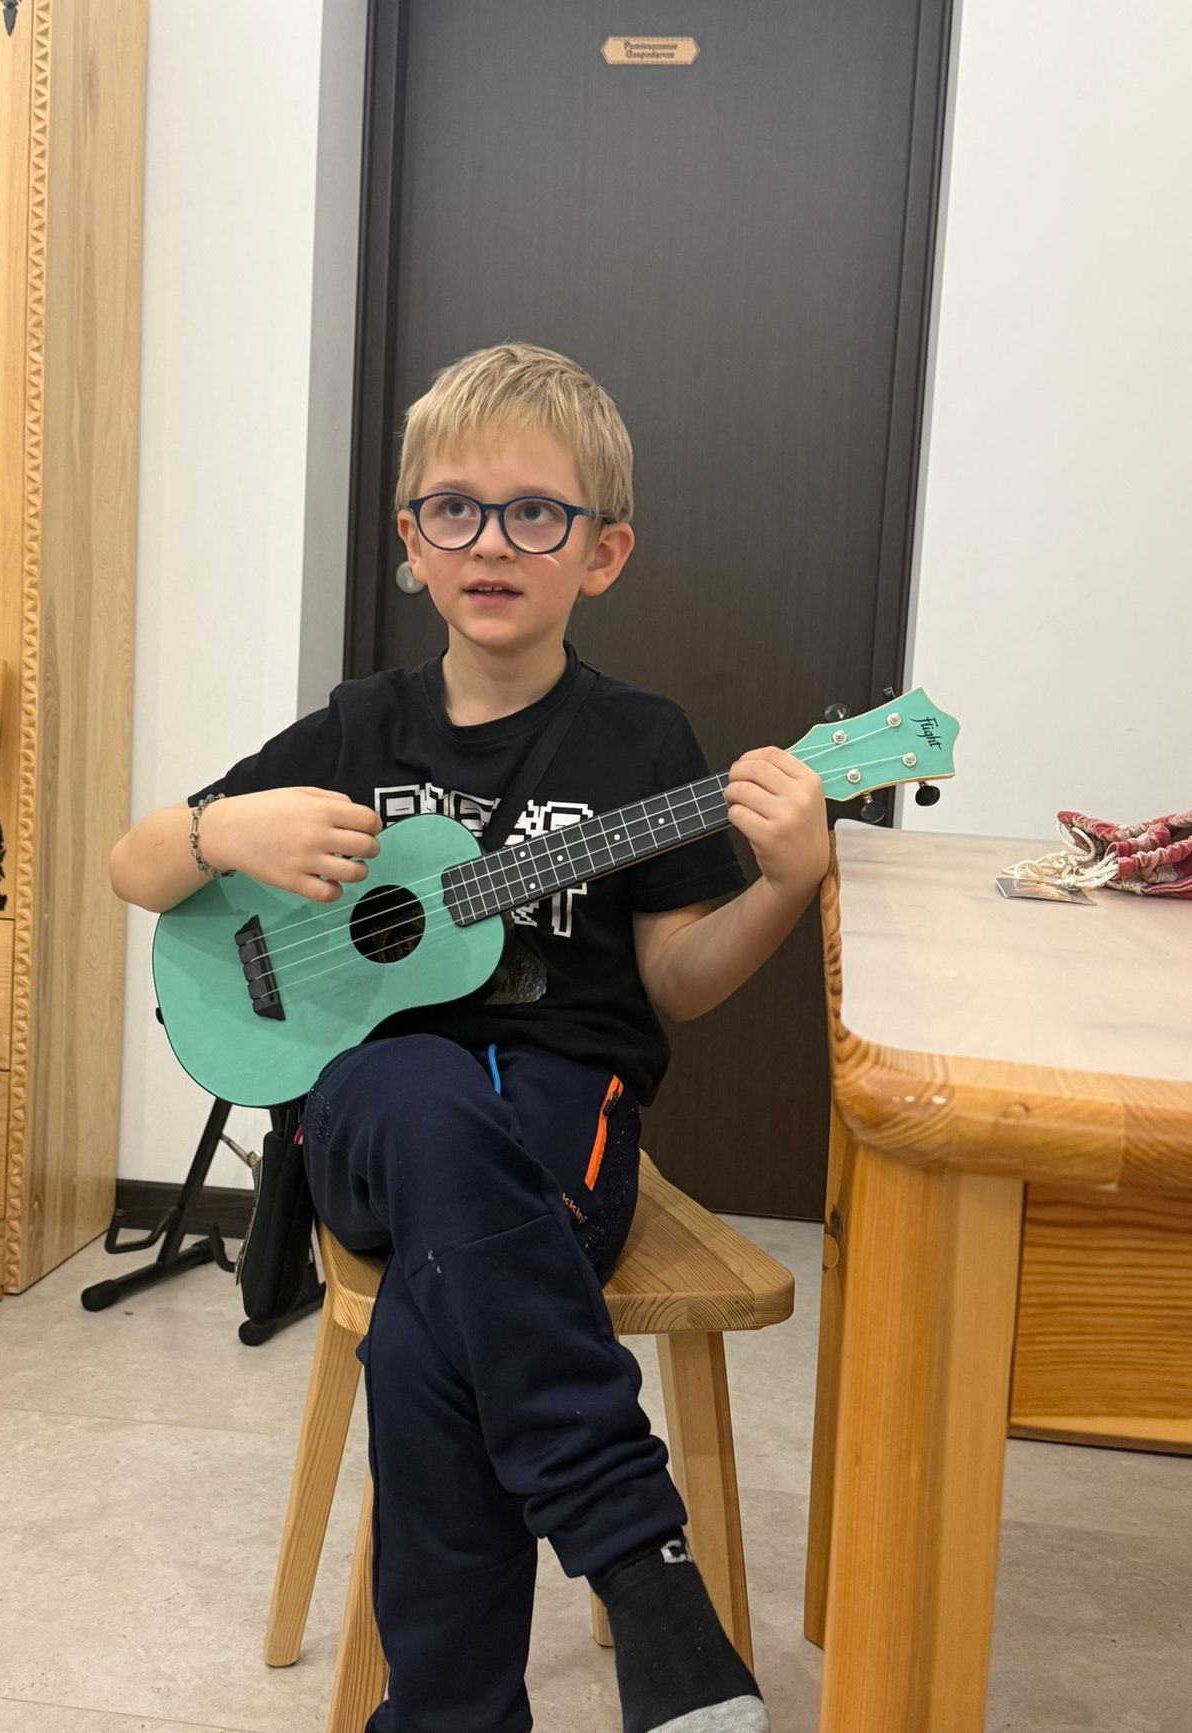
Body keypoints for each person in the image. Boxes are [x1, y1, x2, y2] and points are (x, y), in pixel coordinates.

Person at [110, 342, 829, 1733]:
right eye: (456, 508)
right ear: (411, 541)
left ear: (603, 552)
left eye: (536, 512)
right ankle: (643, 1565)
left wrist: (785, 886)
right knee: (415, 1083)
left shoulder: (642, 743)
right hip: (371, 1114)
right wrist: (222, 829)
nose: (492, 540)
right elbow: (135, 868)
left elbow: (676, 982)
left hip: (564, 1109)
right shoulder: (357, 728)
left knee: (429, 1335)